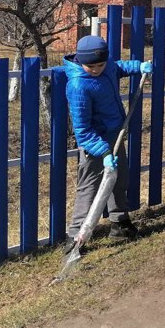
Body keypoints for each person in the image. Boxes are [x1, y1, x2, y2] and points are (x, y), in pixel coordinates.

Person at [63, 35, 153, 252]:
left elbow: (118, 67)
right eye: (90, 66)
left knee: (119, 179)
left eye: (100, 64)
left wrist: (139, 66)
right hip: (95, 143)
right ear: (79, 60)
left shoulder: (107, 66)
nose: (96, 69)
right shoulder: (78, 85)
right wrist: (103, 153)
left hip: (115, 133)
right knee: (89, 187)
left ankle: (119, 223)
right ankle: (75, 237)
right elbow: (82, 131)